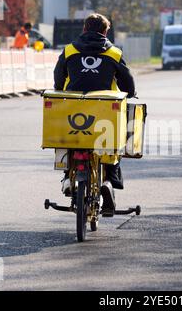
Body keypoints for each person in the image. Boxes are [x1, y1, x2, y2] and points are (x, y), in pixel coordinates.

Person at [53, 13, 135, 216]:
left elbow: (58, 78)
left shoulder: (69, 50)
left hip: (73, 109)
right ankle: (108, 181)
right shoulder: (114, 53)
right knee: (113, 143)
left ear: (83, 29)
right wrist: (130, 93)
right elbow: (128, 85)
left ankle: (66, 177)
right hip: (104, 110)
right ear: (105, 32)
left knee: (68, 138)